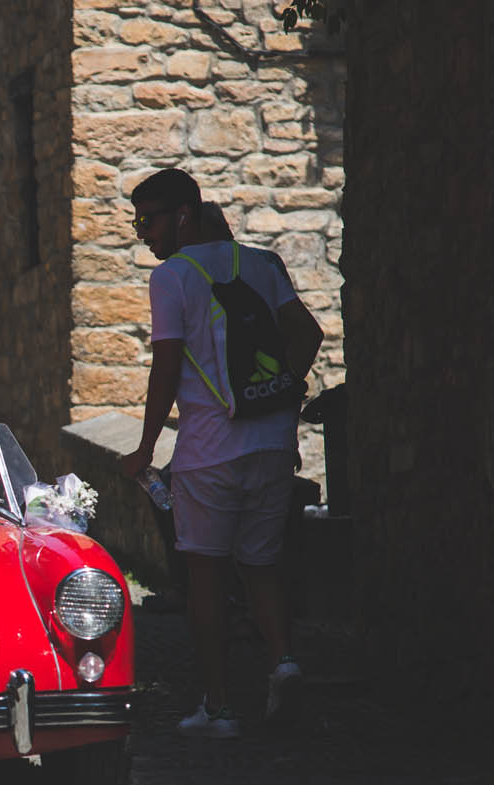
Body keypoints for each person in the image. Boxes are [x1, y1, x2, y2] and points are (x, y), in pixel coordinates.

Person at [120, 167, 324, 739]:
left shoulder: (173, 277)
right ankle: (284, 663)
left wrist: (143, 447)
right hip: (272, 443)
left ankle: (217, 706)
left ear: (184, 215)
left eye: (149, 220)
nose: (143, 233)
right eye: (137, 223)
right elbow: (308, 334)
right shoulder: (263, 263)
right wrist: (279, 391)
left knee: (205, 575)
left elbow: (166, 367)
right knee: (262, 564)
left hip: (209, 450)